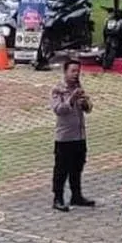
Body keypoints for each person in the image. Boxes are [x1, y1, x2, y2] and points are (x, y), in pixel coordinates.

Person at [50, 59, 95, 212]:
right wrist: (72, 99)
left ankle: (76, 195)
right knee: (62, 169)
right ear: (65, 72)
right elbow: (58, 109)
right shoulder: (58, 90)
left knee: (77, 167)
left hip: (79, 135)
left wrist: (84, 103)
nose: (76, 74)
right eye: (73, 71)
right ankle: (58, 197)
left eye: (78, 71)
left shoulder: (79, 87)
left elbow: (88, 109)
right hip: (65, 137)